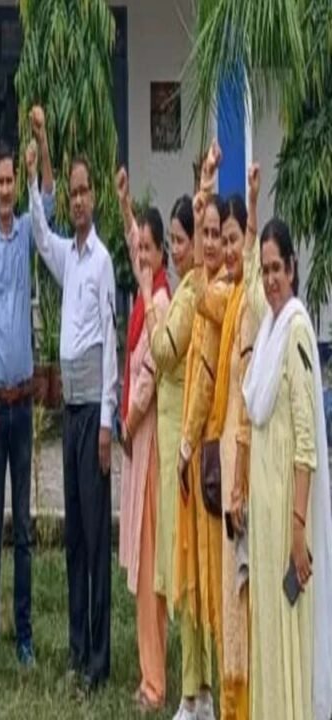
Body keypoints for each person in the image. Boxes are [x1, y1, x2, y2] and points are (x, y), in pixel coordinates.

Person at [27, 119, 118, 691]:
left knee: (96, 538)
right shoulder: (69, 256)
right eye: (73, 193)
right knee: (76, 538)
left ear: (95, 197)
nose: (79, 200)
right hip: (70, 413)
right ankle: (78, 651)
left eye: (84, 192)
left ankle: (99, 662)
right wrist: (41, 158)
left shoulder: (102, 261)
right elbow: (40, 233)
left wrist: (107, 423)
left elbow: (110, 342)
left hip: (94, 417)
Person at [0, 107, 53, 671]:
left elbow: (47, 194)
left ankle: (23, 632)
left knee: (22, 528)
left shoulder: (25, 231)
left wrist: (41, 141)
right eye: (0, 182)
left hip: (24, 404)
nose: (5, 191)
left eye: (10, 182)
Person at [243, 215, 332, 720]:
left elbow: (306, 445)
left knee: (286, 632)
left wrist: (298, 529)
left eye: (278, 268)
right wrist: (251, 204)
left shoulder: (295, 330)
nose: (271, 278)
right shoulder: (270, 327)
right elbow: (249, 284)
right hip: (264, 513)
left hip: (285, 519)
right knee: (268, 634)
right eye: (266, 269)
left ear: (293, 269)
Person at [174, 144, 231, 720]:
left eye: (216, 234)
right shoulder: (203, 285)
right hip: (196, 457)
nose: (209, 243)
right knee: (194, 576)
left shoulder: (220, 296)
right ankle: (199, 692)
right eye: (205, 233)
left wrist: (187, 444)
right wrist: (205, 188)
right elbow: (193, 273)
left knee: (214, 580)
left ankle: (215, 692)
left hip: (209, 453)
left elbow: (205, 385)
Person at [202, 173, 257, 720]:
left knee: (242, 596)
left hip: (245, 463)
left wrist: (239, 480)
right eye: (225, 237)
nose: (228, 247)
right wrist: (203, 201)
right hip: (228, 454)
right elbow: (202, 293)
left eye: (234, 237)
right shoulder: (230, 294)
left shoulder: (250, 301)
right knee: (228, 595)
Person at [116, 168, 170, 710]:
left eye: (152, 249)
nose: (144, 254)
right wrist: (127, 205)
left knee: (153, 570)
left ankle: (155, 683)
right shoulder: (147, 294)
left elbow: (150, 375)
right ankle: (148, 673)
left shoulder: (160, 303)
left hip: (149, 444)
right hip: (140, 444)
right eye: (143, 248)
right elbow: (133, 244)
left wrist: (127, 425)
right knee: (144, 563)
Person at [145, 192, 197, 616]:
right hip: (168, 436)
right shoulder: (184, 290)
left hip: (181, 434)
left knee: (184, 552)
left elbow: (162, 352)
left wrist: (147, 300)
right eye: (174, 241)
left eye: (181, 241)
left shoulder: (191, 293)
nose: (176, 250)